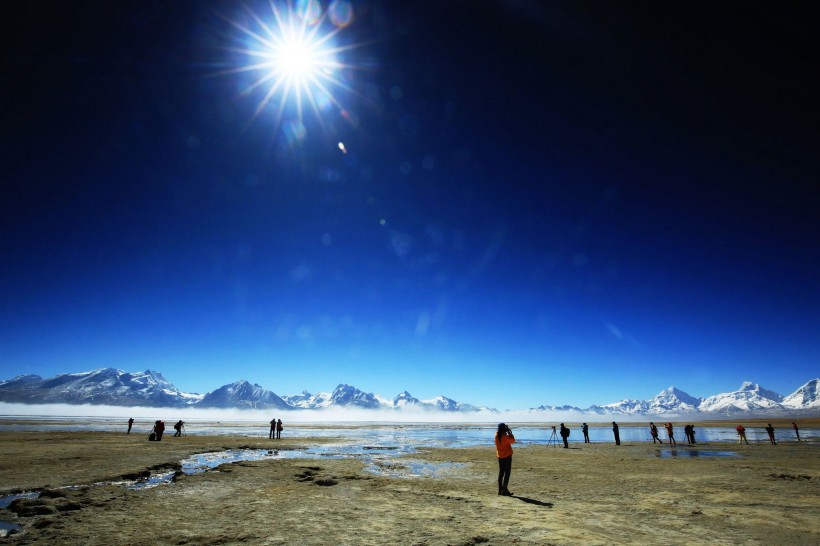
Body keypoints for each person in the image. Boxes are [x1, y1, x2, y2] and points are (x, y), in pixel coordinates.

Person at [494, 423, 515, 496]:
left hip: (500, 456)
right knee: (507, 473)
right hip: (507, 456)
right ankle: (505, 489)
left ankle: (500, 490)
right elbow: (512, 441)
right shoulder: (504, 437)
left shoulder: (496, 435)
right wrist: (510, 433)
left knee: (501, 473)